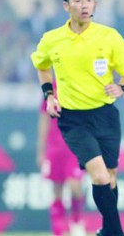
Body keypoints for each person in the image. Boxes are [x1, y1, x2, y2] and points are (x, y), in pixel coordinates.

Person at [31, 0, 124, 236]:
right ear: (66, 5)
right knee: (100, 177)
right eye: (78, 0)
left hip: (105, 115)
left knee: (111, 176)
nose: (84, 5)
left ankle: (108, 230)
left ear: (95, 4)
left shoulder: (109, 36)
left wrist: (121, 88)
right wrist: (49, 95)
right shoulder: (52, 39)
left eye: (89, 0)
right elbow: (42, 67)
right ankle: (115, 232)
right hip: (73, 119)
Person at [37, 81, 86, 236]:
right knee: (57, 188)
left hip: (74, 145)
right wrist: (41, 150)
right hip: (54, 146)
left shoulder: (78, 84)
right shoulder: (50, 89)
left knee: (74, 185)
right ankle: (57, 229)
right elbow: (44, 119)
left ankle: (77, 221)